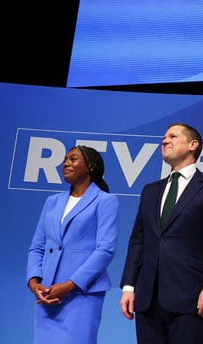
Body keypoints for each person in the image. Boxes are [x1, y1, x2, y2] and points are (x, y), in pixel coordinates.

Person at [119, 123, 203, 344]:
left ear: (193, 145)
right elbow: (138, 241)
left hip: (190, 295)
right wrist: (129, 286)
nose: (165, 141)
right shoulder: (150, 190)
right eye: (163, 137)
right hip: (147, 297)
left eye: (172, 136)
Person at [26, 145, 118, 344]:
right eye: (65, 160)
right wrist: (34, 283)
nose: (65, 163)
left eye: (73, 159)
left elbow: (105, 250)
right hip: (47, 295)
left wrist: (69, 285)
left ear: (91, 167)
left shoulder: (105, 201)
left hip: (81, 294)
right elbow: (37, 246)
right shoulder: (52, 202)